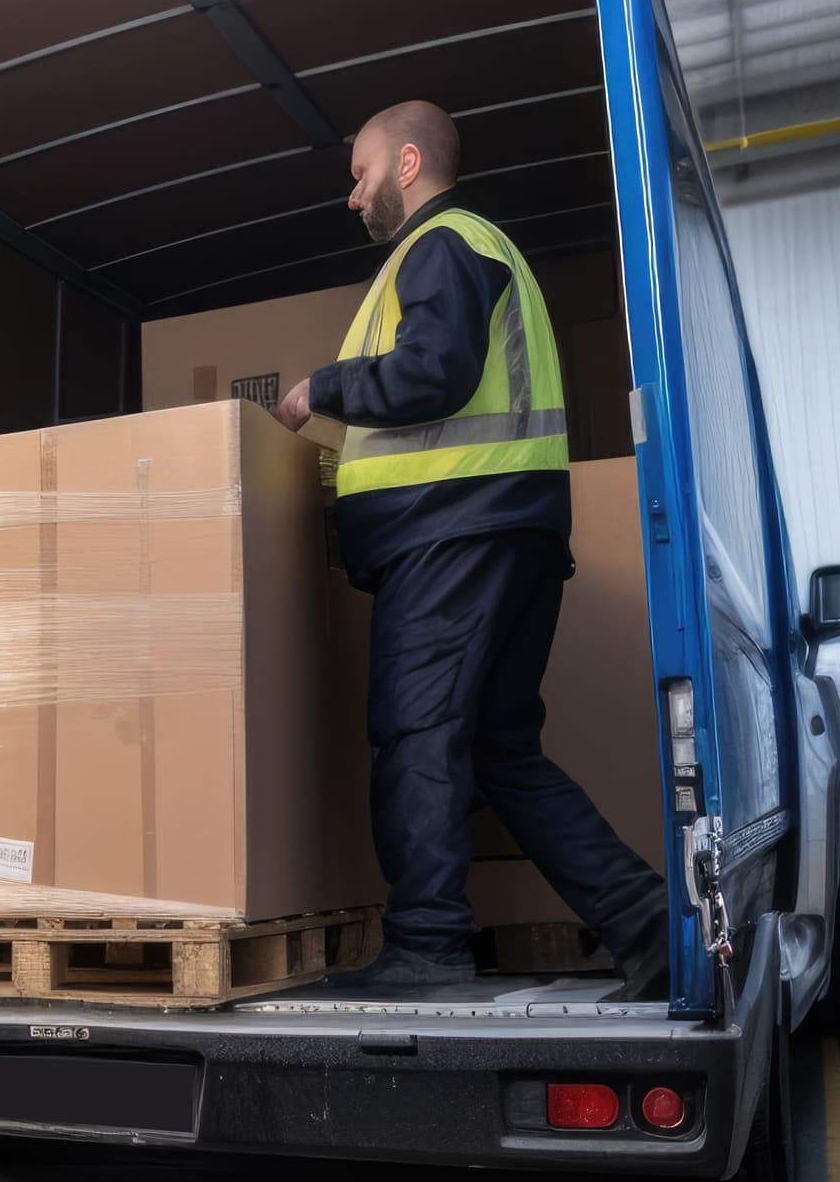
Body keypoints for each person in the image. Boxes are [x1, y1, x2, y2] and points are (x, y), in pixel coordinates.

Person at [275, 99, 666, 997]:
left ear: (409, 164)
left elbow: (434, 373)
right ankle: (648, 926)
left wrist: (322, 388)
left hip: (454, 531)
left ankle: (427, 945)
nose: (353, 195)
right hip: (505, 531)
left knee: (416, 734)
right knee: (497, 752)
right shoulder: (481, 249)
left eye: (362, 173)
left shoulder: (441, 244)